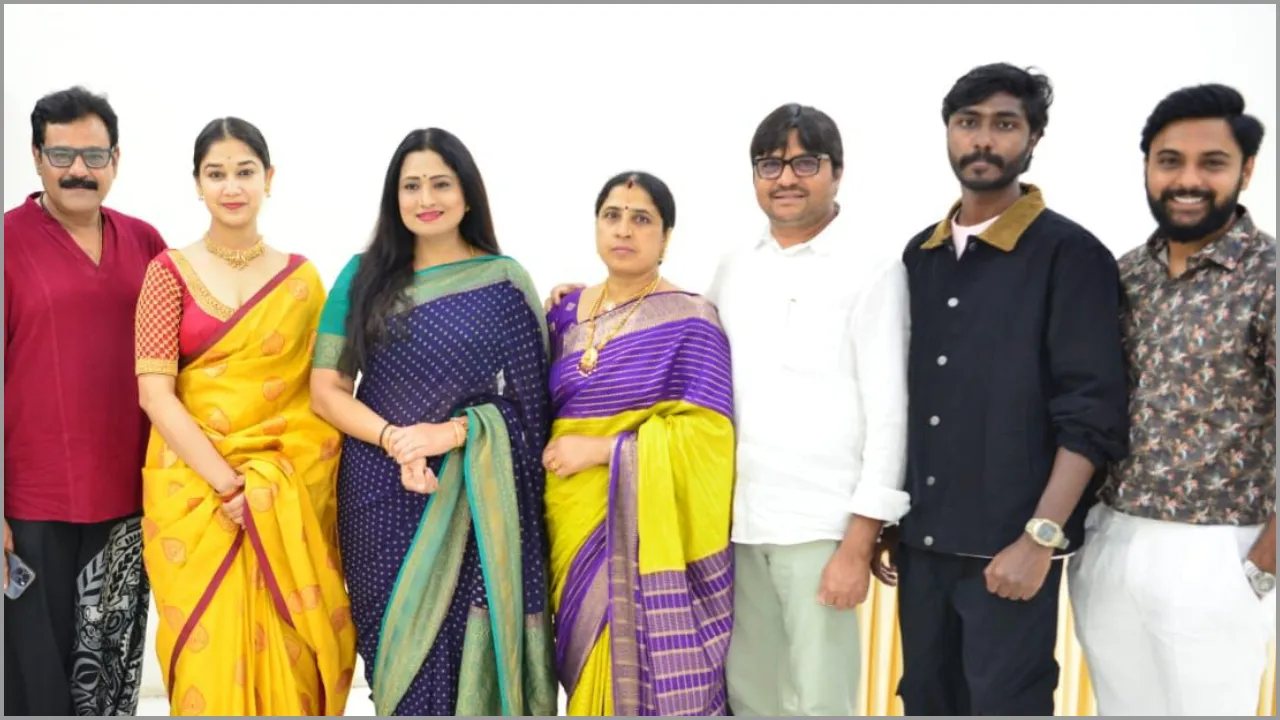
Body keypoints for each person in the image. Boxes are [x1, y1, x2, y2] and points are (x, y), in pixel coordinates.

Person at [546, 103, 911, 716]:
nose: (786, 178)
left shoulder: (872, 270)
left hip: (819, 527)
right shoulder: (736, 265)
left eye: (805, 163)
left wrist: (860, 539)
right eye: (771, 164)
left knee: (821, 701)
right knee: (748, 697)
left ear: (837, 172)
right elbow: (667, 346)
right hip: (733, 527)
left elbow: (890, 414)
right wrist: (583, 298)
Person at [884, 63, 1130, 716]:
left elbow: (1092, 413)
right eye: (969, 122)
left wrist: (1039, 540)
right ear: (948, 131)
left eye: (1004, 124)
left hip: (1011, 555)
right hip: (922, 549)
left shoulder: (1070, 255)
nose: (983, 139)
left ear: (1033, 138)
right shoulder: (919, 257)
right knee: (924, 701)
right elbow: (900, 400)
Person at [309, 127, 557, 717]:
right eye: (411, 185)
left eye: (441, 184)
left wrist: (451, 435)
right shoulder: (361, 276)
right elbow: (326, 391)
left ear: (467, 194)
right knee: (397, 661)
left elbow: (533, 411)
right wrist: (396, 441)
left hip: (477, 494)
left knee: (469, 648)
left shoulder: (504, 282)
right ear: (394, 197)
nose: (426, 199)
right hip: (379, 490)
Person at [134, 117, 356, 715]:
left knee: (290, 658)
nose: (231, 187)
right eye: (216, 174)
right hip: (195, 495)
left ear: (268, 178)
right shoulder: (167, 272)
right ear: (197, 184)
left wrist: (263, 489)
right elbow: (155, 395)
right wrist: (231, 487)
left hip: (283, 497)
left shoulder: (302, 281)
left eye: (244, 172)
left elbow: (319, 399)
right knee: (205, 662)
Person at [1067, 84, 1276, 716]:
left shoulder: (1268, 277)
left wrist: (1265, 560)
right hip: (1112, 537)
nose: (1187, 180)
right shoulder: (1126, 273)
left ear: (1246, 171)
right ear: (1147, 168)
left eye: (1211, 163)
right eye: (1169, 161)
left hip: (1220, 550)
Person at [543, 171, 736, 716]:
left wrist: (607, 451)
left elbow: (709, 436)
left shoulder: (692, 320)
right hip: (570, 516)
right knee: (584, 665)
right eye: (612, 215)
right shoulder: (563, 312)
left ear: (666, 237)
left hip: (646, 524)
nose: (623, 230)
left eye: (641, 219)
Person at [4, 86, 165, 716]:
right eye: (62, 154)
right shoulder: (7, 243)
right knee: (35, 687)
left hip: (129, 502)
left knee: (109, 685)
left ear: (116, 160)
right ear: (36, 157)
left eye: (94, 155)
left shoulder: (146, 244)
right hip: (31, 508)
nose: (78, 170)